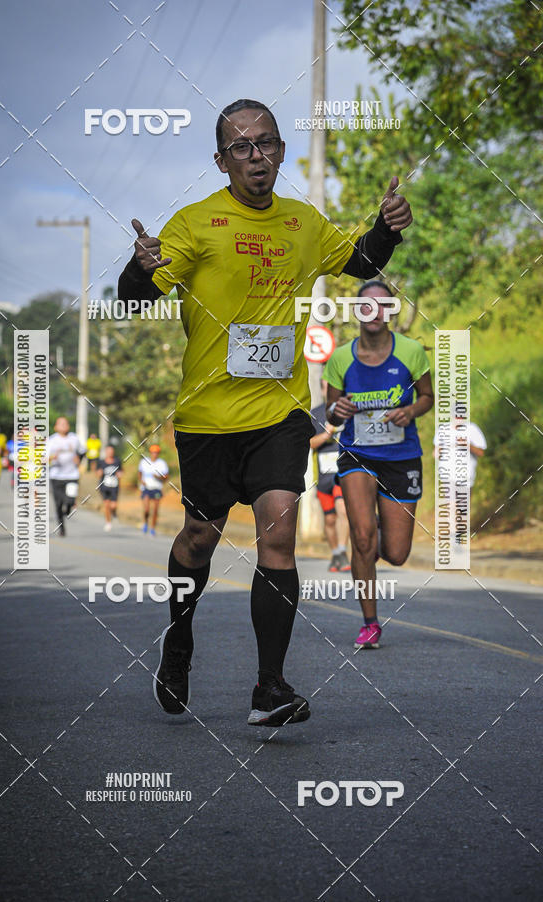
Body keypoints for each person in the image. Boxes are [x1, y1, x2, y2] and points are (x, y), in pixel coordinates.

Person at [118, 98, 412, 725]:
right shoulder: (196, 224)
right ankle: (178, 639)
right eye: (243, 147)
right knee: (201, 536)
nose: (257, 157)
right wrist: (137, 268)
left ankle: (270, 687)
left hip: (277, 413)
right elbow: (137, 296)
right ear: (221, 160)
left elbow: (359, 261)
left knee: (278, 530)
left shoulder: (303, 222)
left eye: (268, 144)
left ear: (281, 150)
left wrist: (387, 229)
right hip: (207, 417)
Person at [324, 280, 433, 649]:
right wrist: (337, 411)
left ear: (390, 310)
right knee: (363, 538)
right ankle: (370, 622)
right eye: (365, 305)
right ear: (358, 311)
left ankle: (369, 535)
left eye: (381, 305)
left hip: (402, 457)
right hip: (358, 453)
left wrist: (410, 410)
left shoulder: (412, 351)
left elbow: (427, 396)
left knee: (398, 553)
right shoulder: (340, 358)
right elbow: (332, 413)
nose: (373, 311)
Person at [310, 382, 351, 572]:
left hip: (342, 472)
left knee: (343, 510)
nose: (331, 390)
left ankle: (343, 552)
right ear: (322, 389)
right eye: (327, 387)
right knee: (330, 519)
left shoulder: (348, 412)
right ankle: (336, 553)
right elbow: (308, 443)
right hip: (324, 475)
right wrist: (326, 435)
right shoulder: (316, 413)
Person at [47, 417, 85, 536]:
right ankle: (61, 527)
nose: (64, 426)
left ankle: (68, 508)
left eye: (66, 423)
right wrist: (52, 458)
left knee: (70, 499)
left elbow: (83, 451)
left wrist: (79, 459)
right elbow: (43, 458)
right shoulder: (51, 440)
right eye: (61, 424)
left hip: (72, 474)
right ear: (56, 427)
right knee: (58, 504)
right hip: (56, 476)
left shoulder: (74, 438)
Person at [138, 445, 169, 535]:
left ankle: (152, 528)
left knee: (155, 509)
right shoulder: (144, 462)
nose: (154, 454)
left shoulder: (162, 463)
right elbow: (139, 473)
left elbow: (166, 477)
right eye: (153, 452)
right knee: (147, 509)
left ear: (158, 453)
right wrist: (141, 481)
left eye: (156, 452)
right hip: (146, 488)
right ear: (150, 453)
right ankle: (145, 523)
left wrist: (159, 477)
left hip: (157, 488)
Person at [97, 445, 123, 532]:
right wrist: (99, 473)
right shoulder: (101, 462)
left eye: (111, 451)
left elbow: (121, 471)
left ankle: (114, 513)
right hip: (104, 486)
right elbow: (98, 472)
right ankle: (108, 522)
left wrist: (120, 474)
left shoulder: (117, 461)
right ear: (106, 452)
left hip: (114, 486)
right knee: (107, 505)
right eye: (108, 451)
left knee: (113, 505)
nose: (110, 453)